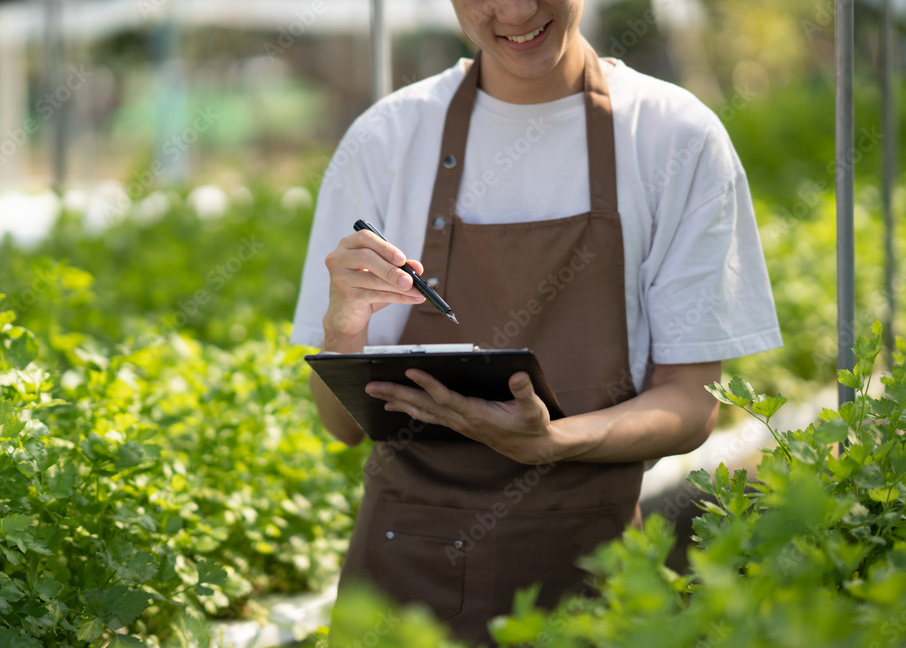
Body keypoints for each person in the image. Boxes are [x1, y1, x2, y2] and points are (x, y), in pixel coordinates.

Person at [291, 0, 782, 642]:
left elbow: (692, 404)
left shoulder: (673, 137)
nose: (516, 10)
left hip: (592, 578)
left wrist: (554, 442)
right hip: (402, 588)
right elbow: (341, 428)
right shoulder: (388, 138)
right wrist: (343, 329)